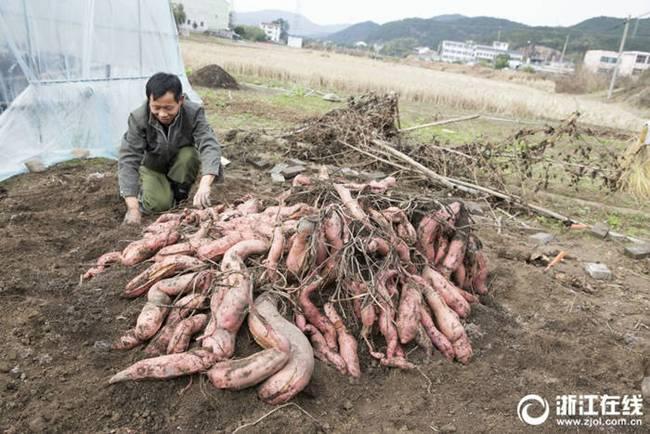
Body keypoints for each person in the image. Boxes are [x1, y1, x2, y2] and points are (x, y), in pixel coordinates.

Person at [117, 72, 223, 225]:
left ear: (180, 101)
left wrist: (205, 184)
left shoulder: (193, 113)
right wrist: (133, 208)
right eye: (156, 107)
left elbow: (209, 145)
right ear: (149, 101)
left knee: (189, 154)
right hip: (152, 166)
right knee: (158, 205)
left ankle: (180, 195)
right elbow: (128, 159)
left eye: (168, 108)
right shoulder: (138, 118)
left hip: (180, 164)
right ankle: (156, 193)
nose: (162, 114)